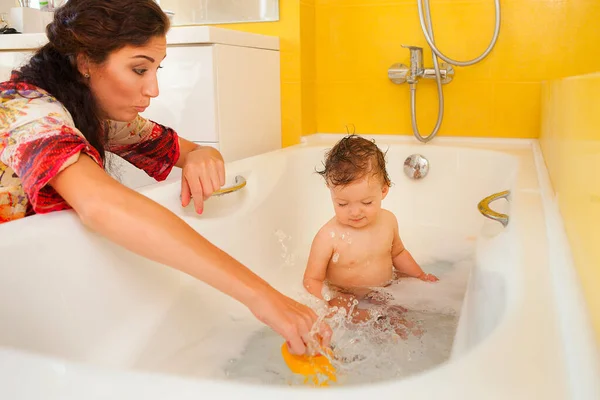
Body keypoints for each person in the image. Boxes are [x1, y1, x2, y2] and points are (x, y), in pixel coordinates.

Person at [0, 0, 329, 355]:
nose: (153, 90)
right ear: (84, 62)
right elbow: (100, 204)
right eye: (140, 70)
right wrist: (262, 297)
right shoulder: (25, 110)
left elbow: (187, 150)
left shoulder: (93, 115)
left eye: (157, 69)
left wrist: (202, 156)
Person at [303, 135, 438, 329]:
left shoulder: (388, 220)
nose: (355, 212)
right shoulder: (328, 237)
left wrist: (420, 276)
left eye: (366, 203)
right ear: (330, 191)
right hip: (344, 295)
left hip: (384, 290)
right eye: (342, 204)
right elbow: (311, 279)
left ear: (383, 191)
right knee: (344, 307)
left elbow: (398, 253)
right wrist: (324, 303)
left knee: (404, 315)